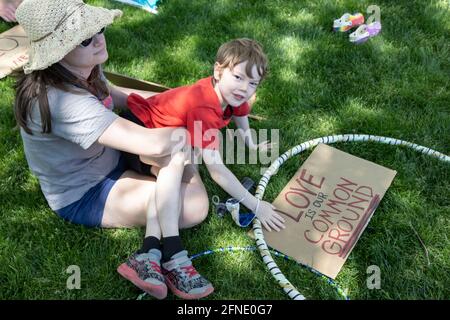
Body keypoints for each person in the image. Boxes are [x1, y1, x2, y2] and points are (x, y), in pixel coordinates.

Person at [14, 0, 212, 300]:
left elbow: (122, 99)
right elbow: (157, 142)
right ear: (57, 51)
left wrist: (177, 101)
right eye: (84, 38)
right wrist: (196, 120)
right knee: (194, 200)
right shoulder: (61, 100)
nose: (98, 39)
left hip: (113, 156)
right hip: (87, 192)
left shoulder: (82, 68)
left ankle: (150, 251)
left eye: (98, 29)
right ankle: (165, 250)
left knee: (176, 149)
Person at [125, 38, 286, 233]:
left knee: (190, 155)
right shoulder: (205, 108)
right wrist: (256, 206)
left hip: (161, 129)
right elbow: (217, 171)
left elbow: (241, 113)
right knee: (184, 170)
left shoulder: (234, 94)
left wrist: (251, 144)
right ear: (218, 71)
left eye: (253, 83)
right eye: (238, 77)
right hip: (140, 134)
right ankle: (151, 185)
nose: (245, 88)